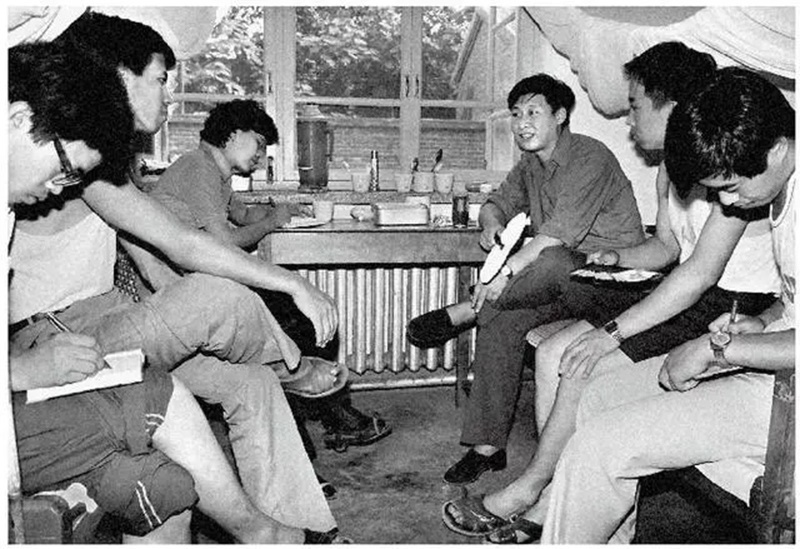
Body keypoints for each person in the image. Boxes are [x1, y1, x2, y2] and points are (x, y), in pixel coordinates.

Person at [12, 11, 345, 538]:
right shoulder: (70, 154)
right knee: (217, 295)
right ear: (120, 77)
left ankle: (296, 528)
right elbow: (182, 243)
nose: (168, 97)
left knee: (251, 383)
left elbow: (148, 254)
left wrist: (189, 317)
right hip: (58, 334)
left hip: (109, 319)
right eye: (160, 80)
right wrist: (292, 283)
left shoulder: (104, 161)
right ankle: (293, 365)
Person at [441, 41, 779, 543]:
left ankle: (536, 490)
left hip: (726, 303)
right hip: (687, 292)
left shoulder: (731, 172)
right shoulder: (669, 172)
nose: (629, 120)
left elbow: (698, 274)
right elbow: (666, 249)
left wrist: (612, 333)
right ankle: (552, 492)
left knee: (581, 354)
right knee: (560, 348)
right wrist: (618, 258)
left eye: (636, 105)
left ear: (674, 105)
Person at [540, 66, 794, 544]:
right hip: (772, 366)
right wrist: (763, 320)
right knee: (597, 397)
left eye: (731, 187)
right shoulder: (773, 185)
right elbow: (788, 298)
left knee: (601, 447)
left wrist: (716, 350)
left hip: (788, 399)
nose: (727, 202)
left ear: (777, 149)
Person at [127, 98, 391, 498]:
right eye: (259, 143)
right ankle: (308, 446)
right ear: (233, 134)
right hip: (175, 292)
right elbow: (225, 242)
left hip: (197, 280)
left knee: (303, 318)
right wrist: (270, 223)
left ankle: (330, 415)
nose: (262, 155)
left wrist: (275, 213)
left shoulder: (217, 174)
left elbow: (241, 216)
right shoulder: (197, 167)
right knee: (293, 322)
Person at [423, 73, 645, 485]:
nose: (521, 123)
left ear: (560, 116)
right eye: (516, 114)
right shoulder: (531, 165)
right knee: (502, 319)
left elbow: (554, 238)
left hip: (616, 284)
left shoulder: (590, 157)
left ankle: (469, 307)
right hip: (564, 285)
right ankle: (487, 448)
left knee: (554, 259)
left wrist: (503, 272)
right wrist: (490, 223)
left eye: (533, 112)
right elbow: (497, 203)